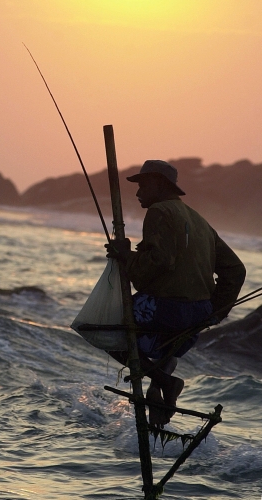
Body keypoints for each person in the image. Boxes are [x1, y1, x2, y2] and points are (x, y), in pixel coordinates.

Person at [106, 160, 246, 427]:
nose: (137, 193)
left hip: (169, 309)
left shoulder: (159, 211)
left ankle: (165, 381)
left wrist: (126, 256)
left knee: (101, 329)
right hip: (198, 313)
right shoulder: (198, 219)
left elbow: (159, 263)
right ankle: (164, 369)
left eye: (143, 185)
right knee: (159, 338)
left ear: (159, 183)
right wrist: (213, 313)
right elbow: (236, 270)